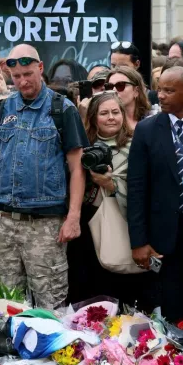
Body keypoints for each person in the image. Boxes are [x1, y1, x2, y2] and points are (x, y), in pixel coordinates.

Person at [0, 44, 88, 308]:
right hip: (3, 221)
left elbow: (77, 168)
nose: (23, 81)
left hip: (45, 224)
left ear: (40, 68)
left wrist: (73, 217)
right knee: (2, 305)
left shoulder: (62, 109)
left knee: (50, 304)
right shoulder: (3, 108)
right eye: (16, 77)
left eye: (28, 74)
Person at [128, 66, 183, 321]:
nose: (161, 96)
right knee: (172, 303)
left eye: (169, 90)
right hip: (166, 230)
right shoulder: (146, 130)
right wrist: (138, 241)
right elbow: (136, 187)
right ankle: (178, 356)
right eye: (159, 90)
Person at [66, 92, 141, 305]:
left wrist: (111, 184)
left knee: (117, 285)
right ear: (93, 118)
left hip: (120, 221)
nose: (111, 118)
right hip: (85, 224)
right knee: (86, 286)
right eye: (104, 113)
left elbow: (142, 188)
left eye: (116, 112)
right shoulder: (81, 147)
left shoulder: (136, 145)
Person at [105, 66, 151, 130]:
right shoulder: (104, 122)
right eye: (109, 86)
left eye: (120, 85)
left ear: (136, 91)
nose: (114, 90)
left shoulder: (152, 119)